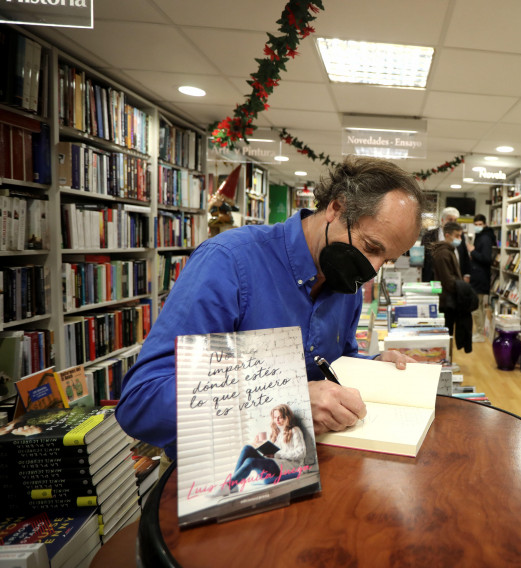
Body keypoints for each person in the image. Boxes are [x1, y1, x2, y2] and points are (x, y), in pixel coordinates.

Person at [117, 157, 426, 459]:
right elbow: (143, 403)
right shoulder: (229, 262)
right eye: (371, 246)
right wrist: (290, 403)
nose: (370, 269)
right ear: (336, 208)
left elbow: (331, 365)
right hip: (225, 478)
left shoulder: (347, 282)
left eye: (385, 260)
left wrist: (373, 367)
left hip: (309, 471)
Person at [211, 404, 308, 496]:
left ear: (287, 417)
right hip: (276, 463)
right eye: (275, 417)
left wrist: (276, 455)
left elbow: (301, 453)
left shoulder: (295, 430)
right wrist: (261, 447)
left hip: (289, 466)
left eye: (280, 417)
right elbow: (274, 454)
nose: (277, 420)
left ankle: (228, 485)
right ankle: (234, 485)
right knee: (247, 448)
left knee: (250, 461)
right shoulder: (278, 434)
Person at [430, 222, 476, 353]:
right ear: (447, 235)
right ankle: (446, 360)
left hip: (450, 298)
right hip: (447, 300)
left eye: (460, 236)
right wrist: (462, 288)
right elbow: (448, 280)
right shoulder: (443, 253)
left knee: (449, 331)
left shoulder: (449, 250)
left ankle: (448, 359)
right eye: (457, 236)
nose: (459, 239)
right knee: (447, 332)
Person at [421, 207, 470, 282]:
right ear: (442, 220)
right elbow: (424, 257)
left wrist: (466, 274)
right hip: (433, 278)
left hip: (455, 279)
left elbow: (465, 256)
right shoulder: (429, 235)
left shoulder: (460, 235)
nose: (453, 223)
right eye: (450, 219)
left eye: (455, 220)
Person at [468, 214, 496, 342]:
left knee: (476, 306)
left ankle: (479, 333)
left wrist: (472, 251)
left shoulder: (485, 238)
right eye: (476, 225)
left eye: (480, 225)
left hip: (480, 278)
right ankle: (480, 332)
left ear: (484, 224)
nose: (478, 227)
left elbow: (486, 259)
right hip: (478, 276)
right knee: (477, 306)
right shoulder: (481, 236)